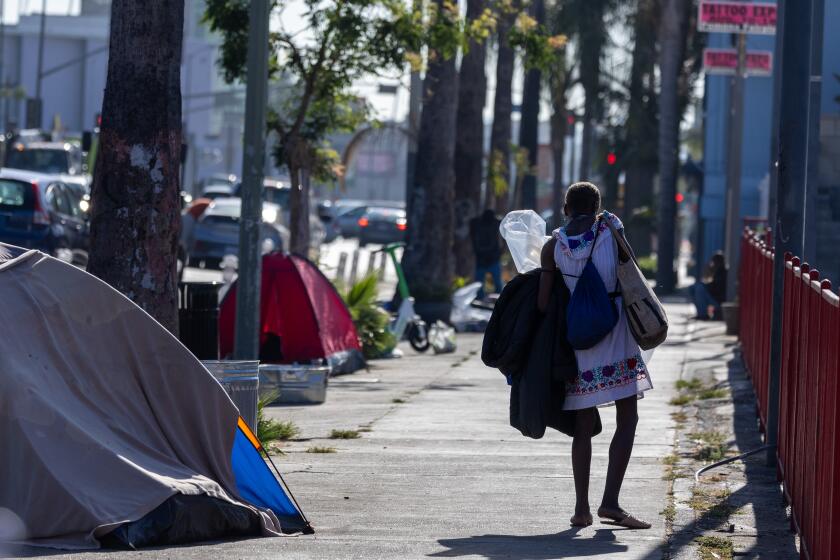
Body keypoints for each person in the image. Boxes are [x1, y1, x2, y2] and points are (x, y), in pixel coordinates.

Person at [538, 182, 654, 530]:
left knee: (583, 426)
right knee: (627, 417)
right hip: (616, 332)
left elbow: (544, 303)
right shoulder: (612, 229)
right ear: (598, 207)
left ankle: (581, 509)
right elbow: (631, 269)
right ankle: (611, 502)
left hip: (580, 340)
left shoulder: (552, 246)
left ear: (565, 209)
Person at [470, 209, 503, 298]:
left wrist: (500, 252)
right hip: (483, 258)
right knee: (480, 282)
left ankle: (500, 298)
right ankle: (484, 297)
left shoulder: (495, 223)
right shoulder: (477, 224)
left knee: (495, 282)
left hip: (491, 257)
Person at [691, 253, 727, 320]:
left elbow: (715, 288)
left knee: (699, 288)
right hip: (716, 298)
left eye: (713, 262)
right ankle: (701, 313)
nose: (712, 264)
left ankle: (703, 315)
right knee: (695, 287)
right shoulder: (718, 271)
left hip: (720, 302)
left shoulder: (722, 272)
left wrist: (706, 284)